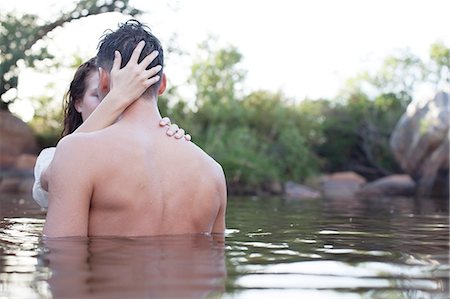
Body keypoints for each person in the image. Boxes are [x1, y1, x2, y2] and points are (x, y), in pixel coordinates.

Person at [43, 19, 227, 237]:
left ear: (103, 80)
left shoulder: (76, 153)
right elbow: (215, 262)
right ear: (163, 84)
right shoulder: (213, 172)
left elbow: (63, 258)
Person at [33, 43, 190, 209]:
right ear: (78, 103)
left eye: (110, 93)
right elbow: (54, 175)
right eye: (98, 94)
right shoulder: (50, 157)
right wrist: (117, 97)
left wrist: (169, 142)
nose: (106, 101)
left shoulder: (136, 155)